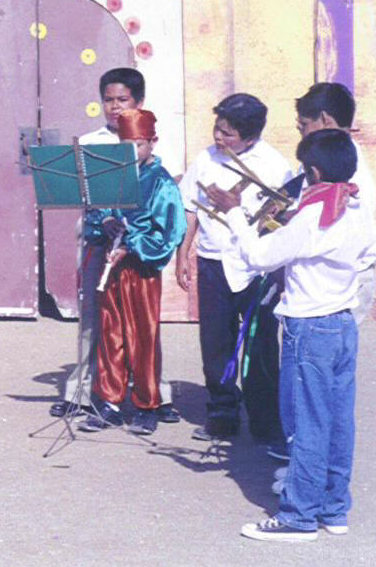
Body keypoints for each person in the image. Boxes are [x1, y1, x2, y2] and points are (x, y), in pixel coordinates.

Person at [206, 130, 376, 541]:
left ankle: (298, 514)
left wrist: (232, 212)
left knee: (305, 423)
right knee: (337, 421)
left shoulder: (315, 215)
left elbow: (260, 256)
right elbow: (366, 256)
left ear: (314, 171)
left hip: (310, 328)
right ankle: (334, 508)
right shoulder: (355, 210)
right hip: (341, 323)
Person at [51, 67, 179, 423]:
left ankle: (155, 393)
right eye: (108, 99)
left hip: (137, 243)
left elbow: (163, 188)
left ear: (138, 101)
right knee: (95, 317)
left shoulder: (148, 134)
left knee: (143, 323)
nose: (114, 107)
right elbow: (78, 191)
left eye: (122, 100)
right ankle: (83, 390)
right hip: (98, 237)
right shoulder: (93, 142)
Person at [177, 93, 292, 447]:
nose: (218, 138)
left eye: (228, 134)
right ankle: (222, 409)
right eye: (217, 129)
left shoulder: (274, 165)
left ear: (251, 137)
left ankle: (264, 418)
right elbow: (190, 210)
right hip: (212, 262)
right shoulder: (205, 159)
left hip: (256, 268)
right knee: (215, 340)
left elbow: (283, 218)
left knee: (259, 345)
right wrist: (184, 254)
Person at [79, 109, 186, 435]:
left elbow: (171, 231)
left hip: (141, 269)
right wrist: (105, 225)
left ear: (152, 143)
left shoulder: (161, 181)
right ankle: (109, 401)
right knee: (110, 333)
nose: (133, 152)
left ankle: (147, 403)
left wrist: (134, 242)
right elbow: (97, 215)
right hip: (113, 265)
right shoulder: (114, 175)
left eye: (139, 145)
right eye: (126, 145)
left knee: (143, 336)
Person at [294, 83, 376, 323]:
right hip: (323, 280)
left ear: (325, 120)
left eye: (304, 127)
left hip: (342, 281)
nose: (301, 134)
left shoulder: (349, 172)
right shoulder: (317, 158)